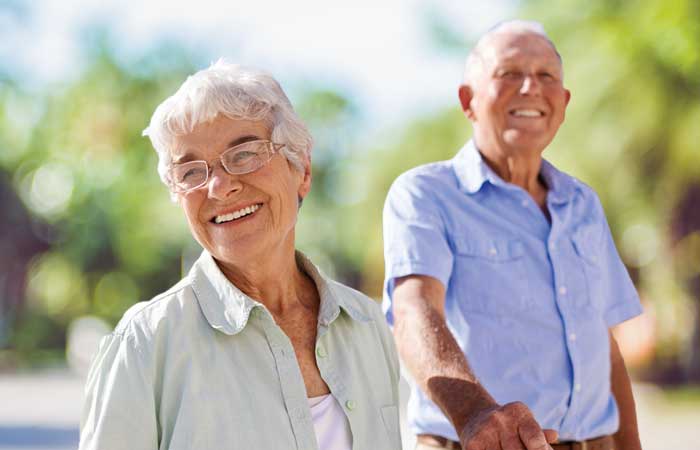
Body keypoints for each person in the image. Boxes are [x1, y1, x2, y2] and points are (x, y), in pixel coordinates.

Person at [80, 60, 401, 450]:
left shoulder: (369, 328)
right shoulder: (146, 344)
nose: (218, 186)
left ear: (301, 169)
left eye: (245, 154)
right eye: (191, 172)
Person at [383, 20, 643, 450]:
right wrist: (476, 416)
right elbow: (413, 309)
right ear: (468, 100)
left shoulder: (583, 204)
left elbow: (605, 347)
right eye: (509, 74)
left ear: (563, 102)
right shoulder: (425, 194)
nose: (530, 88)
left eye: (546, 77)